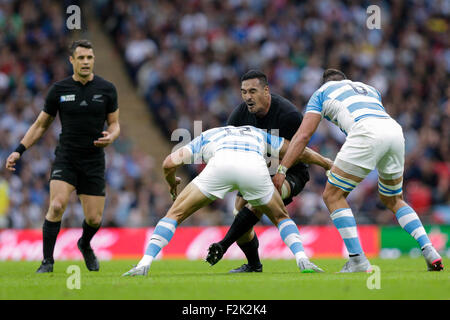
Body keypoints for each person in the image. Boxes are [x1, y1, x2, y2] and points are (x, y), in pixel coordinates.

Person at [272, 69, 443, 272]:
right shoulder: (369, 90)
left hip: (366, 131)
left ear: (324, 83)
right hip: (394, 131)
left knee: (332, 195)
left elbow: (303, 135)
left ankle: (357, 260)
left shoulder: (321, 93)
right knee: (394, 199)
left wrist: (282, 168)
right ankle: (429, 249)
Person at [122, 125, 327, 276]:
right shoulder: (257, 133)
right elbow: (298, 151)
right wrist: (326, 163)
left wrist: (171, 182)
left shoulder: (208, 135)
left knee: (174, 214)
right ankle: (303, 259)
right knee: (281, 216)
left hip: (220, 167)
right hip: (253, 168)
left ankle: (144, 263)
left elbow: (169, 162)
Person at [5, 40, 120, 273]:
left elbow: (115, 124)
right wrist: (19, 150)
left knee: (95, 219)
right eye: (81, 58)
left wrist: (112, 137)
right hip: (67, 157)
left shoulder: (107, 89)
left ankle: (84, 243)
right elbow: (40, 125)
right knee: (57, 205)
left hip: (94, 160)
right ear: (72, 61)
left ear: (93, 59)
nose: (86, 62)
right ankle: (47, 261)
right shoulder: (59, 90)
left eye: (89, 57)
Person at [205, 70, 332, 273]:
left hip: (291, 172)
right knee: (238, 210)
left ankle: (223, 245)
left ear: (266, 91)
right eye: (244, 92)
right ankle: (254, 265)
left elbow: (302, 152)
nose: (248, 97)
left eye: (253, 91)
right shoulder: (239, 116)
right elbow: (227, 147)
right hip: (257, 171)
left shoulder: (288, 115)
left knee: (261, 199)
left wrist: (325, 164)